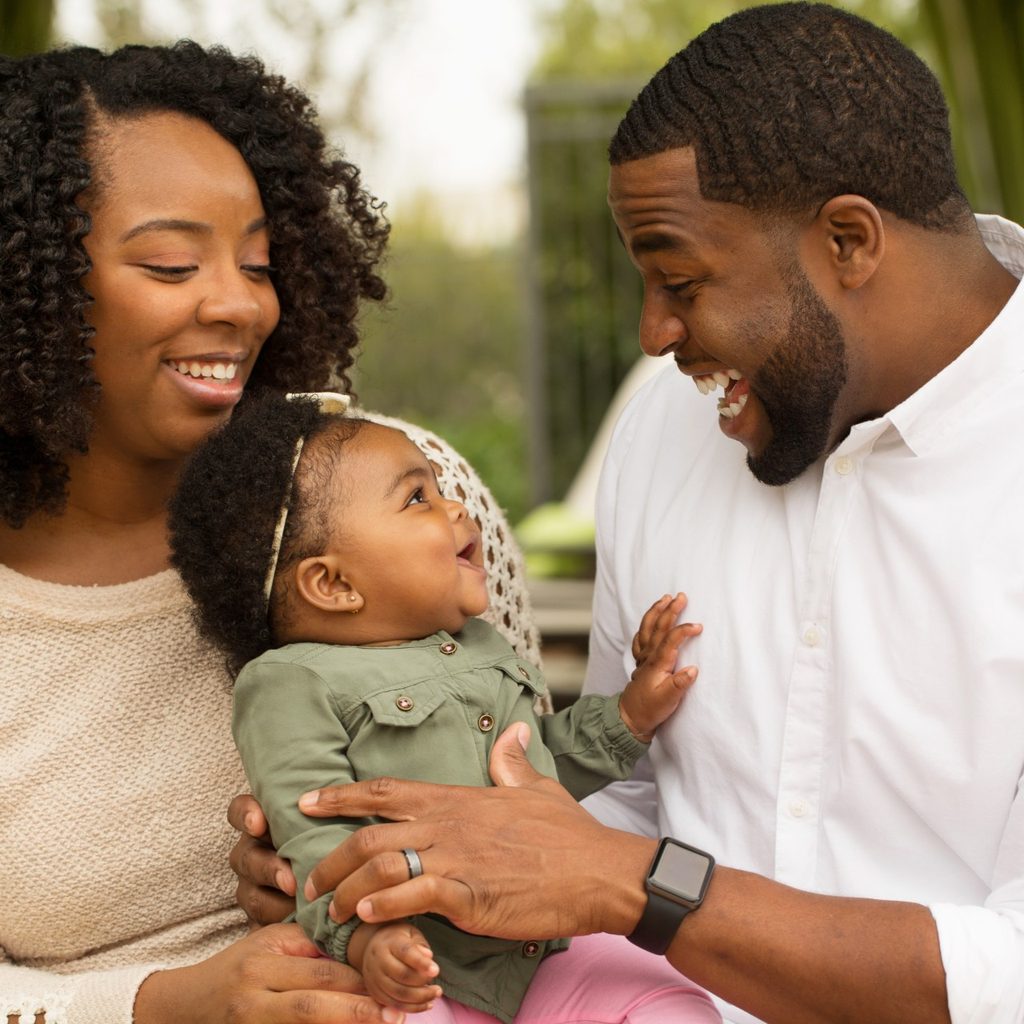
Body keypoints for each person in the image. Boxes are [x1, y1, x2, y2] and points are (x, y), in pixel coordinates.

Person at [231, 4, 1024, 1024]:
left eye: (681, 280)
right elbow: (607, 805)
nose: (654, 335)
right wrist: (382, 858)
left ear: (848, 240)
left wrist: (639, 884)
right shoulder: (665, 428)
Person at [0, 40, 541, 1024]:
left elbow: (527, 782)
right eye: (172, 263)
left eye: (257, 260)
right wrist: (162, 1003)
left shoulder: (400, 494)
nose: (240, 303)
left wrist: (360, 872)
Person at [166, 388, 720, 1024]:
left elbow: (535, 772)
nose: (456, 507)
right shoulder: (290, 683)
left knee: (665, 1001)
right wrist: (368, 939)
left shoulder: (479, 643)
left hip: (544, 952)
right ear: (333, 583)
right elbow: (315, 836)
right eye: (417, 498)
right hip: (416, 970)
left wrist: (629, 715)